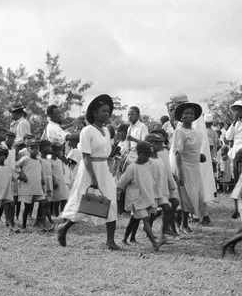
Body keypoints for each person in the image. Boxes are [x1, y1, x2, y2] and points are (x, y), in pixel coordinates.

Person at [57, 94, 121, 250]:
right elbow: (85, 156)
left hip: (104, 169)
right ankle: (64, 228)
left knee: (111, 203)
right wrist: (93, 177)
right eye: (104, 111)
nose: (107, 114)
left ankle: (110, 241)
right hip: (89, 169)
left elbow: (106, 151)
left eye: (109, 111)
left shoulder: (106, 131)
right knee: (85, 204)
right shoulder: (87, 131)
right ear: (94, 113)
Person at [117, 140, 161, 250]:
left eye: (148, 156)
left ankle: (126, 238)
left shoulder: (147, 165)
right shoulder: (132, 168)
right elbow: (121, 184)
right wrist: (115, 195)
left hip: (145, 197)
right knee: (145, 220)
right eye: (145, 155)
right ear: (139, 154)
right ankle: (154, 243)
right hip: (136, 199)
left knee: (134, 220)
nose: (147, 158)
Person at [171, 101, 208, 232]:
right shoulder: (179, 131)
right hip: (184, 167)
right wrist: (180, 172)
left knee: (195, 194)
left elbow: (194, 150)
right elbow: (177, 153)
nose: (189, 116)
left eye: (191, 113)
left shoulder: (194, 131)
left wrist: (200, 157)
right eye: (186, 113)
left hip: (195, 167)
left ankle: (191, 219)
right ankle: (183, 224)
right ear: (181, 116)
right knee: (185, 195)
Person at [15, 139, 48, 230]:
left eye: (36, 148)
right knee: (27, 207)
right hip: (27, 186)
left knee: (43, 202)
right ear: (27, 149)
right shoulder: (25, 159)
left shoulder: (39, 160)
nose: (35, 150)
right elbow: (15, 166)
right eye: (32, 148)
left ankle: (40, 222)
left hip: (37, 186)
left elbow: (41, 171)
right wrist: (21, 174)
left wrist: (42, 179)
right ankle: (24, 225)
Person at [119, 106, 149, 170]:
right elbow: (127, 144)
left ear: (138, 116)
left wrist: (134, 139)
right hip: (130, 157)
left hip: (139, 157)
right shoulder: (129, 128)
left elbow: (146, 144)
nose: (130, 116)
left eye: (132, 114)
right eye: (128, 114)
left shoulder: (142, 127)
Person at [50, 143, 70, 218]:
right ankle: (56, 214)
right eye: (60, 151)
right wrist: (53, 180)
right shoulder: (50, 161)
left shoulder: (60, 161)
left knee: (64, 198)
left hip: (62, 182)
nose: (62, 153)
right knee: (56, 200)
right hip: (55, 183)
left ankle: (63, 213)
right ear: (55, 152)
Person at [204, 113, 221, 178]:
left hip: (209, 158)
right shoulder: (215, 132)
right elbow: (219, 145)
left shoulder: (206, 132)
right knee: (213, 174)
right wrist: (215, 152)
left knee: (208, 175)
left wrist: (208, 154)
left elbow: (210, 145)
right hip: (214, 157)